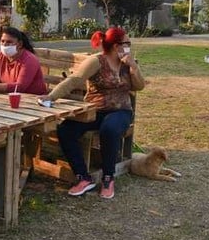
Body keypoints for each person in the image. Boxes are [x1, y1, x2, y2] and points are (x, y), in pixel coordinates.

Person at [38, 27, 145, 200]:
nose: (129, 46)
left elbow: (139, 86)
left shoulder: (127, 63)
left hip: (121, 111)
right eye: (127, 43)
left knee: (109, 129)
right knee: (65, 129)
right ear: (116, 46)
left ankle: (108, 178)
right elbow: (74, 80)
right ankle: (83, 177)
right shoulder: (96, 61)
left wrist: (133, 66)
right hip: (95, 110)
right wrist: (51, 97)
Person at [0, 27, 48, 95]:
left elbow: (20, 87)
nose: (4, 44)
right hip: (7, 97)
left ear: (20, 44)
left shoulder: (29, 60)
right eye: (2, 41)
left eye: (9, 42)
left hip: (33, 99)